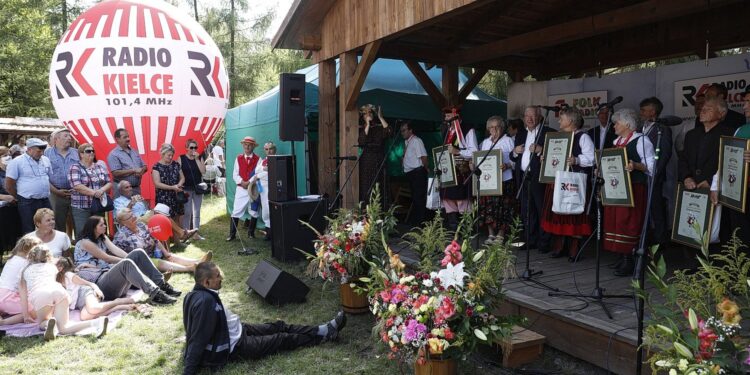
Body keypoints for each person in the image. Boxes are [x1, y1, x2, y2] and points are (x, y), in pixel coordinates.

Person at [182, 262, 346, 375]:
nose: (221, 278)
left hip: (239, 330)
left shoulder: (197, 294)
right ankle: (324, 337)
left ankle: (321, 329)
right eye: (217, 276)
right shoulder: (205, 302)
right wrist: (189, 370)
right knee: (281, 339)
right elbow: (197, 338)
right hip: (236, 346)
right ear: (207, 282)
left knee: (278, 325)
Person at [74, 216, 179, 305]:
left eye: (104, 224)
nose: (105, 226)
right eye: (101, 225)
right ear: (93, 228)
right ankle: (156, 295)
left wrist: (133, 258)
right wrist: (129, 261)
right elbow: (107, 257)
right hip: (99, 282)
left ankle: (161, 284)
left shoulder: (102, 237)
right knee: (127, 263)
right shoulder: (85, 242)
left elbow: (116, 250)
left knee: (138, 252)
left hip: (108, 274)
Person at [603, 108, 655, 276]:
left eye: (616, 123)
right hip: (617, 188)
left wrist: (636, 165)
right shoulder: (617, 141)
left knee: (629, 224)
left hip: (634, 189)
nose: (614, 126)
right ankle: (621, 256)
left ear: (627, 124)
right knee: (616, 223)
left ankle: (630, 260)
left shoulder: (641, 141)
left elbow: (652, 168)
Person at [19, 245, 108, 340]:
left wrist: (26, 315)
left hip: (40, 294)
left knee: (41, 323)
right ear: (48, 256)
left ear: (30, 256)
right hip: (59, 291)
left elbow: (23, 296)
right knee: (64, 328)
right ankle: (97, 323)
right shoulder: (52, 267)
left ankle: (48, 324)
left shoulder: (24, 271)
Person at [540, 108, 594, 261]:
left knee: (572, 215)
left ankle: (574, 249)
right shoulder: (558, 137)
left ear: (570, 121)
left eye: (561, 119)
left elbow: (592, 158)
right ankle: (560, 246)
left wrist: (576, 160)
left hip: (573, 182)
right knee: (559, 214)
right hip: (557, 181)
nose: (559, 121)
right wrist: (546, 158)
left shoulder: (583, 137)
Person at [509, 106, 553, 252]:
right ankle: (530, 240)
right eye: (527, 116)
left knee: (541, 210)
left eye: (533, 116)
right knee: (527, 211)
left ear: (540, 117)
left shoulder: (548, 132)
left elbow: (557, 153)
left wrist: (542, 150)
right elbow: (512, 157)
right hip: (523, 177)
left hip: (539, 177)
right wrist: (515, 151)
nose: (530, 119)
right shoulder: (521, 134)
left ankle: (544, 242)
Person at [710, 87, 750, 247]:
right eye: (745, 102)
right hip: (739, 194)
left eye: (748, 102)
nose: (744, 106)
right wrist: (715, 186)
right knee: (741, 236)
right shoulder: (741, 130)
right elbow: (726, 161)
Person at [113, 208, 211, 273]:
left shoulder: (141, 225)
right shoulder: (120, 237)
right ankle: (190, 268)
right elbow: (116, 255)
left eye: (133, 214)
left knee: (170, 256)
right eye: (130, 217)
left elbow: (155, 239)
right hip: (140, 262)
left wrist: (165, 252)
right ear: (123, 223)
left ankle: (197, 262)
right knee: (159, 261)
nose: (134, 217)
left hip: (153, 253)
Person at [55, 257, 142, 320]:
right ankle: (118, 307)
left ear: (60, 268)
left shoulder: (68, 275)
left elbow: (89, 283)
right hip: (78, 303)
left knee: (94, 308)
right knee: (85, 317)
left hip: (85, 293)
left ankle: (117, 301)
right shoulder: (53, 281)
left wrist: (96, 289)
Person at [113, 181, 198, 242]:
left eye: (130, 186)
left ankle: (180, 234)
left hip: (145, 216)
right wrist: (131, 204)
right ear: (121, 190)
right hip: (135, 220)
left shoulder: (135, 197)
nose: (130, 188)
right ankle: (181, 233)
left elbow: (147, 209)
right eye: (127, 187)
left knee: (163, 210)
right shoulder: (118, 201)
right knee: (161, 213)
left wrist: (144, 202)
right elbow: (120, 217)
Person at [475, 116, 516, 243]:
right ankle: (491, 234)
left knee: (503, 207)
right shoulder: (485, 143)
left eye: (497, 126)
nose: (494, 129)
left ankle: (501, 234)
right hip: (488, 181)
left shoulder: (508, 141)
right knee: (488, 207)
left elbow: (515, 161)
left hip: (505, 179)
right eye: (491, 127)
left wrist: (508, 165)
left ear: (502, 128)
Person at [638, 97, 672, 246]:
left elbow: (665, 154)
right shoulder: (640, 128)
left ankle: (660, 241)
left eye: (644, 110)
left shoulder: (662, 129)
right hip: (640, 174)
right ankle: (645, 239)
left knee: (656, 207)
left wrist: (655, 172)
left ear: (652, 111)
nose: (641, 113)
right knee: (643, 207)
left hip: (654, 176)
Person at [440, 107, 479, 230]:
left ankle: (466, 230)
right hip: (448, 171)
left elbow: (474, 151)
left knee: (462, 199)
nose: (445, 119)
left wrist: (458, 151)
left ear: (455, 116)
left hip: (462, 171)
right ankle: (453, 229)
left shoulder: (468, 129)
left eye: (448, 116)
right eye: (445, 116)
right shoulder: (446, 130)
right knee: (447, 198)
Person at [5, 137, 52, 234]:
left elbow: (48, 178)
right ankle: (29, 249)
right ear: (29, 149)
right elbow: (9, 184)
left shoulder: (46, 160)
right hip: (27, 201)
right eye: (39, 151)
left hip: (44, 199)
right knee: (28, 228)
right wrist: (17, 197)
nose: (42, 153)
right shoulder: (17, 162)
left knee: (48, 225)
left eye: (43, 150)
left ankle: (47, 248)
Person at [68, 143, 113, 239]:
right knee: (82, 233)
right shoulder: (75, 167)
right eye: (88, 151)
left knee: (99, 232)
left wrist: (101, 190)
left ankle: (99, 252)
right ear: (81, 154)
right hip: (82, 207)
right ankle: (82, 253)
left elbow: (109, 182)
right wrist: (95, 193)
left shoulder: (99, 167)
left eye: (93, 151)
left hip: (98, 206)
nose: (92, 153)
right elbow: (77, 186)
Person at [0, 237, 42, 326]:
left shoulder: (12, 259)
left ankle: (3, 312)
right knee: (35, 312)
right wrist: (26, 314)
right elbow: (24, 289)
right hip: (8, 298)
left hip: (2, 294)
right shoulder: (26, 264)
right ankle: (3, 322)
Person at [45, 128, 78, 234]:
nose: (69, 138)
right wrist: (56, 191)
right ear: (56, 139)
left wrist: (76, 189)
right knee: (57, 223)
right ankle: (62, 249)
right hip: (55, 194)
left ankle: (80, 248)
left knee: (78, 222)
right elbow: (43, 176)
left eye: (70, 136)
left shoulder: (77, 153)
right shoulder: (46, 154)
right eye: (66, 136)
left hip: (76, 193)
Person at [227, 136, 260, 241]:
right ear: (243, 145)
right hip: (241, 189)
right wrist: (242, 182)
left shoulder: (259, 159)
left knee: (254, 211)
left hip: (253, 188)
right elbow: (234, 174)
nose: (247, 146)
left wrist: (249, 182)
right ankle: (232, 235)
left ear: (254, 146)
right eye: (245, 144)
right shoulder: (238, 158)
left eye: (250, 144)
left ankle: (251, 233)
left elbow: (258, 174)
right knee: (236, 210)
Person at [358, 105, 391, 205]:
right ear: (363, 116)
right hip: (367, 161)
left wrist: (381, 117)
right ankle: (366, 213)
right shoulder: (361, 127)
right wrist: (367, 124)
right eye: (366, 113)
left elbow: (389, 132)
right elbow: (361, 141)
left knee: (380, 185)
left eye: (370, 112)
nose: (369, 114)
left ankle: (381, 212)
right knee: (367, 186)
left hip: (379, 158)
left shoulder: (378, 126)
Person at [152, 143, 186, 234]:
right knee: (164, 219)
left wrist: (178, 185)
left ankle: (178, 241)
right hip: (163, 196)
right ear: (162, 154)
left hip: (175, 195)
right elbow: (157, 184)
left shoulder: (176, 164)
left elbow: (182, 178)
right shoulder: (156, 167)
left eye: (172, 155)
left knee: (176, 217)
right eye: (168, 155)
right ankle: (167, 243)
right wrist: (172, 187)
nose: (171, 157)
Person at [400, 122, 428, 226]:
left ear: (410, 130)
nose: (402, 133)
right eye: (401, 131)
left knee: (418, 198)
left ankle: (420, 223)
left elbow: (424, 157)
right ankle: (416, 221)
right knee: (415, 198)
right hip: (411, 174)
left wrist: (426, 168)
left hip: (418, 172)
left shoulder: (416, 141)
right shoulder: (407, 142)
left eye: (404, 130)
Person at [178, 139, 207, 240]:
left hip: (198, 188)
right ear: (186, 148)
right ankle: (186, 233)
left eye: (195, 147)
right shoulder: (181, 158)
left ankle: (195, 233)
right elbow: (178, 173)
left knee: (197, 211)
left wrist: (197, 159)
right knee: (187, 211)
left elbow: (203, 171)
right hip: (186, 188)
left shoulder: (199, 158)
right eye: (191, 147)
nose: (193, 149)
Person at [107, 129, 147, 197]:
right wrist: (133, 170)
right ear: (117, 139)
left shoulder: (134, 151)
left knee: (137, 207)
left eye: (128, 136)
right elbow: (115, 172)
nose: (128, 139)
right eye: (125, 137)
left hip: (136, 189)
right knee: (123, 208)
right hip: (121, 190)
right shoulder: (113, 154)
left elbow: (145, 166)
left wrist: (141, 172)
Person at [250, 142, 275, 241]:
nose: (268, 151)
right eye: (266, 149)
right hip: (263, 190)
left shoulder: (277, 159)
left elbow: (268, 174)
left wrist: (259, 174)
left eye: (270, 148)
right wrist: (263, 170)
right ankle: (268, 233)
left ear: (274, 149)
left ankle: (274, 233)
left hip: (271, 188)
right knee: (265, 211)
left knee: (271, 209)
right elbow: (256, 171)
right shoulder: (263, 161)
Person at [0, 150, 22, 256]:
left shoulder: (15, 171)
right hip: (2, 211)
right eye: (5, 155)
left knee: (15, 235)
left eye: (9, 155)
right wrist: (4, 197)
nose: (8, 157)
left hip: (16, 208)